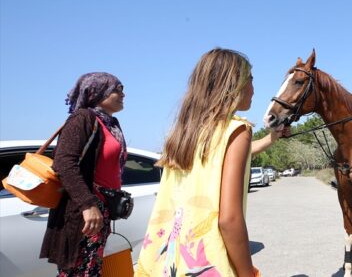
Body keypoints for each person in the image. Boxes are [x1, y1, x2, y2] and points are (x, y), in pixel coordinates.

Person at [136, 48, 288, 277]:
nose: (254, 88)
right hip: (207, 263)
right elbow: (229, 219)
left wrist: (272, 138)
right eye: (251, 79)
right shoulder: (237, 129)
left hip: (166, 264)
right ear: (233, 84)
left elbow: (232, 158)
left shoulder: (184, 132)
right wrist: (248, 272)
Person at [40, 72, 128, 276]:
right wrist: (87, 205)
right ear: (98, 92)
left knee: (89, 270)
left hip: (100, 211)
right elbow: (64, 162)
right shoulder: (83, 118)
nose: (123, 94)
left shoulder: (110, 124)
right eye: (118, 88)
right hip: (84, 214)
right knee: (79, 271)